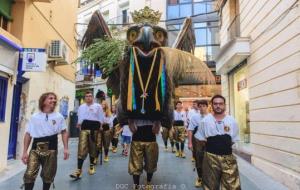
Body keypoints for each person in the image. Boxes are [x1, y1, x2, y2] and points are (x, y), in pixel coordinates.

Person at [22, 92, 69, 190]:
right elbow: (28, 134)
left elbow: (64, 132)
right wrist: (24, 152)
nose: (54, 100)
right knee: (29, 174)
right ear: (43, 101)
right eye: (50, 98)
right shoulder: (35, 117)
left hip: (51, 148)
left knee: (48, 176)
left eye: (54, 99)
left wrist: (66, 148)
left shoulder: (59, 116)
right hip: (35, 148)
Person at [198, 95, 241, 190]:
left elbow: (233, 140)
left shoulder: (232, 121)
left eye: (220, 104)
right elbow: (201, 140)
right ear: (212, 105)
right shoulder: (205, 121)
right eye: (215, 104)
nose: (218, 106)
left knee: (232, 186)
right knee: (210, 185)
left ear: (224, 105)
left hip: (228, 158)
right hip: (210, 157)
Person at [70, 91, 104, 179]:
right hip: (84, 129)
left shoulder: (98, 106)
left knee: (93, 147)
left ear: (92, 97)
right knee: (81, 148)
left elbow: (101, 117)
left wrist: (101, 126)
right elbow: (80, 117)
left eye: (90, 96)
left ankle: (91, 165)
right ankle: (79, 170)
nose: (88, 97)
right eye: (87, 96)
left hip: (94, 129)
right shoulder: (81, 107)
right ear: (85, 98)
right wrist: (78, 124)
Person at [128, 119, 160, 189]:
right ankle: (136, 185)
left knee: (151, 162)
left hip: (150, 138)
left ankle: (148, 182)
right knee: (136, 164)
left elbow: (156, 131)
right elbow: (132, 128)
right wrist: (130, 122)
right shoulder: (134, 110)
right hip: (138, 138)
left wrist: (157, 122)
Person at [188, 100, 209, 188]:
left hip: (210, 142)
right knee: (199, 160)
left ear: (207, 106)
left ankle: (208, 179)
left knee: (209, 160)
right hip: (197, 141)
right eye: (200, 106)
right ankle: (200, 178)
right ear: (198, 107)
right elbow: (190, 130)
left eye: (204, 106)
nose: (202, 108)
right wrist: (190, 143)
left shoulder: (212, 117)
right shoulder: (194, 117)